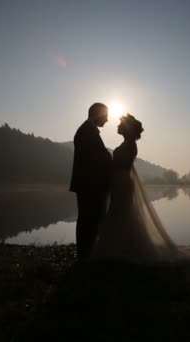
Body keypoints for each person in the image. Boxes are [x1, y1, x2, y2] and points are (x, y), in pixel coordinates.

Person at [91, 114, 190, 262]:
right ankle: (122, 246)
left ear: (127, 128)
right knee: (120, 213)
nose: (117, 126)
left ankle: (119, 248)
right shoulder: (127, 143)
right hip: (119, 183)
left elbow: (121, 166)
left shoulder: (130, 145)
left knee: (120, 213)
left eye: (120, 124)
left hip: (122, 184)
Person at [69, 103, 112, 259]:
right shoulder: (87, 132)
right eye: (106, 116)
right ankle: (85, 255)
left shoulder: (89, 130)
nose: (107, 120)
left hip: (89, 185)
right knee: (88, 220)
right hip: (90, 185)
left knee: (88, 220)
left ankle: (85, 254)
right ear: (98, 114)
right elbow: (99, 159)